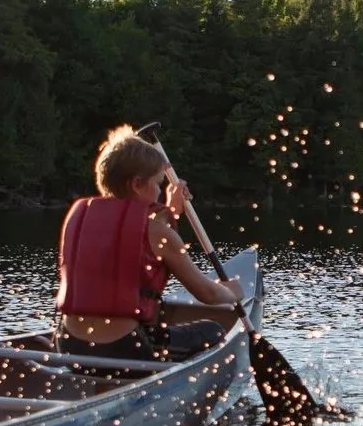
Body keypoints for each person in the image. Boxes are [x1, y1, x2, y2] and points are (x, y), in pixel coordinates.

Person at [54, 125, 242, 362]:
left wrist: (171, 212)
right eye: (158, 183)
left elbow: (132, 249)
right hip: (123, 349)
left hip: (69, 344)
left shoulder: (78, 216)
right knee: (213, 330)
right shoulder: (158, 233)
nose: (159, 190)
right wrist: (232, 292)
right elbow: (208, 294)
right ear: (136, 184)